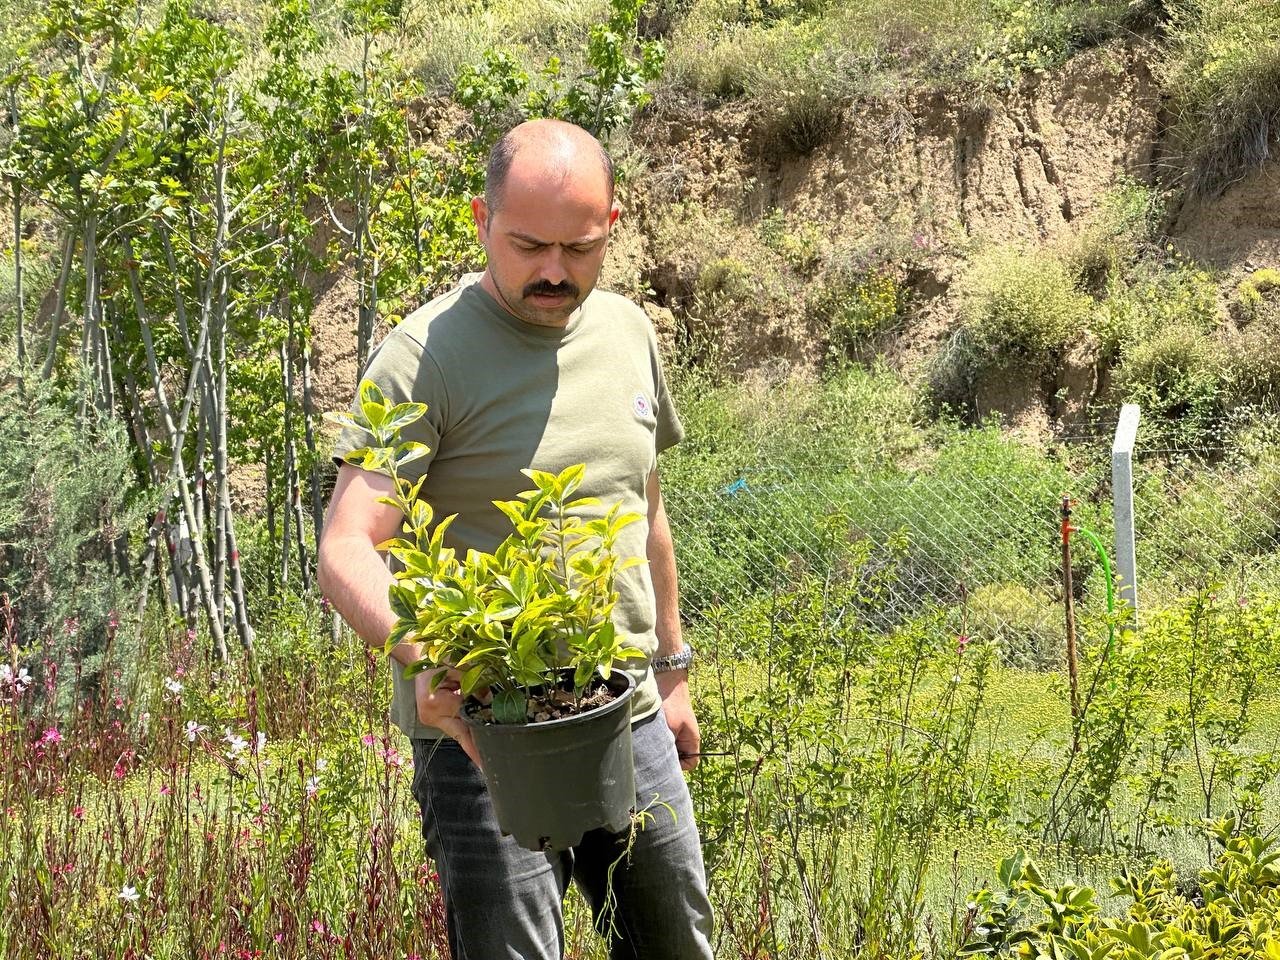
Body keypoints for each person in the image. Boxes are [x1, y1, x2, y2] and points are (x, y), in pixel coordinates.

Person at [317, 118, 715, 960]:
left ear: (613, 224)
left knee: (676, 940)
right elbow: (348, 543)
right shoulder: (425, 356)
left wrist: (672, 672)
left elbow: (644, 512)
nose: (553, 272)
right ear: (480, 219)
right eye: (527, 244)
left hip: (625, 710)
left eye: (578, 248)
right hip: (480, 727)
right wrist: (424, 657)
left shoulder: (628, 334)